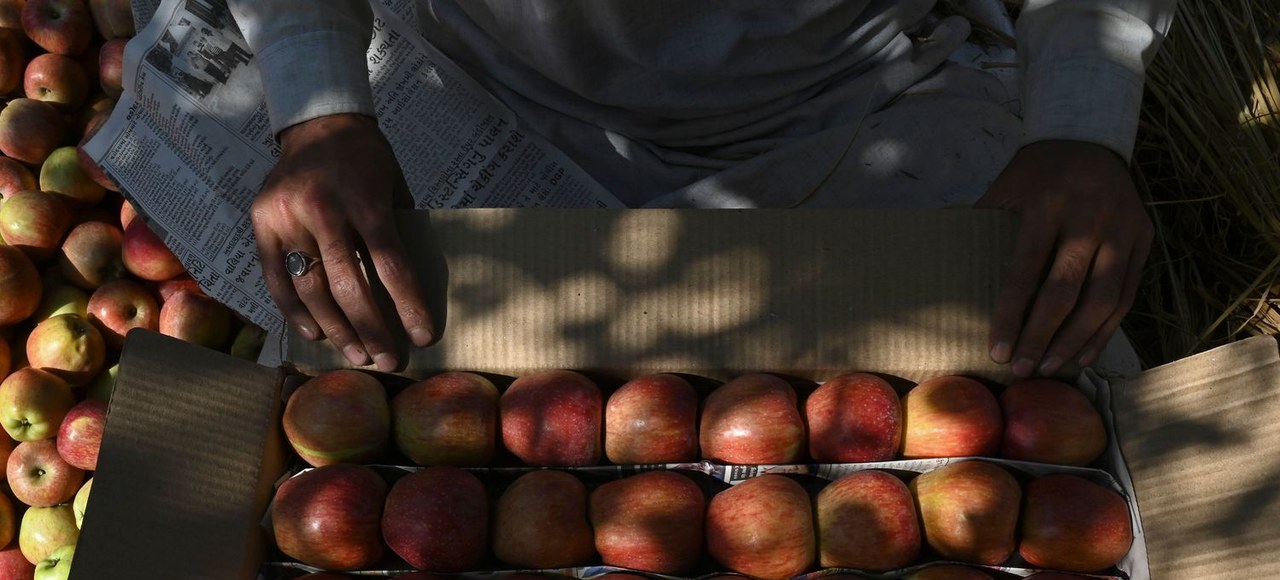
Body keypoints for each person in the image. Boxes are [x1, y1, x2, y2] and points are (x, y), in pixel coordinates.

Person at [225, 0, 1175, 375]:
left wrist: (1082, 133)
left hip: (848, 103)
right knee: (329, 407)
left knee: (1057, 389)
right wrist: (322, 114)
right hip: (497, 97)